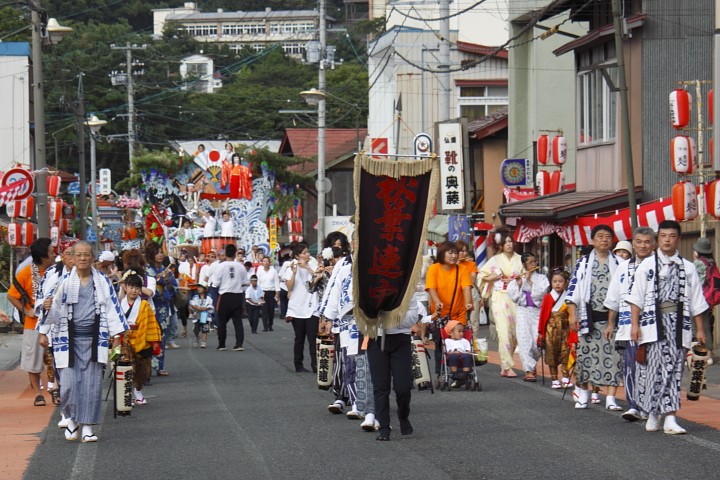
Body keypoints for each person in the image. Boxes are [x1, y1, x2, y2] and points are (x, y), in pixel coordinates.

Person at [38, 241, 128, 443]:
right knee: (68, 384)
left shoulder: (102, 282)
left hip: (94, 340)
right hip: (68, 341)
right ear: (72, 257)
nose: (82, 258)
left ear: (92, 258)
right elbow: (50, 308)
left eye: (87, 254)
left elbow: (113, 309)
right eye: (78, 254)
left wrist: (116, 338)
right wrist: (44, 329)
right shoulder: (62, 282)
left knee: (92, 384)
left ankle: (87, 426)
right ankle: (70, 419)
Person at [626, 220, 708, 434]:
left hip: (678, 324)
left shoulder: (688, 267)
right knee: (652, 370)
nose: (667, 240)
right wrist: (634, 325)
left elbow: (697, 301)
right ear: (657, 239)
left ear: (678, 239)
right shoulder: (647, 265)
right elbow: (636, 298)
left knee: (674, 369)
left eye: (672, 236)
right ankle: (653, 413)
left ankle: (670, 417)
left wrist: (700, 330)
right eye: (663, 236)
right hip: (652, 324)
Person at [566, 224, 622, 410]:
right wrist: (573, 314)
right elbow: (573, 290)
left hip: (611, 318)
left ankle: (611, 399)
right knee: (585, 358)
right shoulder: (583, 263)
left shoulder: (619, 263)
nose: (604, 239)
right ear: (593, 240)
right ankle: (583, 395)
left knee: (613, 357)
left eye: (607, 236)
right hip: (587, 317)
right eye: (600, 236)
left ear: (612, 240)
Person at [603, 227, 656, 421]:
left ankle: (650, 406)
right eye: (639, 242)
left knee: (651, 367)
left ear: (653, 244)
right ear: (633, 244)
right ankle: (633, 405)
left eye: (647, 242)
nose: (642, 245)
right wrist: (610, 323)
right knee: (630, 367)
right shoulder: (623, 267)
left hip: (652, 325)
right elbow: (614, 297)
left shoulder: (658, 266)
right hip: (627, 325)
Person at [7, 237, 56, 407]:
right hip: (32, 323)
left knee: (56, 359)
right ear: (43, 257)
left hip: (55, 323)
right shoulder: (27, 273)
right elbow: (11, 295)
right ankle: (38, 394)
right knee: (33, 362)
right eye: (51, 252)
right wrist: (25, 310)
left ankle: (56, 389)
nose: (54, 254)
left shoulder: (57, 272)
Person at [368, 295, 421, 441]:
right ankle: (384, 428)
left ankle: (403, 415)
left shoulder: (406, 289)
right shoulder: (371, 288)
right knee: (380, 387)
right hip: (375, 339)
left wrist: (392, 318)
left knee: (403, 386)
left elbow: (413, 316)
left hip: (400, 338)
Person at [478, 229, 523, 377]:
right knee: (503, 332)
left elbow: (526, 277)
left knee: (515, 333)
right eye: (506, 242)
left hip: (515, 298)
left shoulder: (520, 259)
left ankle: (506, 364)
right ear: (501, 245)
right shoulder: (496, 260)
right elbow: (481, 276)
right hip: (499, 297)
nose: (509, 244)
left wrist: (517, 279)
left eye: (511, 241)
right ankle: (507, 365)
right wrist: (491, 278)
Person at [424, 241, 473, 375]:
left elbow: (466, 287)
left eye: (455, 253)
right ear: (442, 254)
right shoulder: (434, 269)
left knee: (461, 342)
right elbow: (431, 288)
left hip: (458, 315)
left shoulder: (461, 269)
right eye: (450, 253)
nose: (454, 256)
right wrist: (437, 302)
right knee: (441, 344)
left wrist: (468, 302)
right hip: (440, 315)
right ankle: (442, 372)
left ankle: (462, 372)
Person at [119, 270, 161, 405]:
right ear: (125, 287)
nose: (134, 291)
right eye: (131, 287)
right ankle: (127, 395)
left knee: (142, 370)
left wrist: (153, 341)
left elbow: (151, 323)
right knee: (127, 367)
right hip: (124, 339)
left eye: (137, 288)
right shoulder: (119, 303)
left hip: (141, 339)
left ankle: (138, 391)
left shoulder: (144, 305)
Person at [507, 252, 548, 382]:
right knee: (524, 341)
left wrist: (530, 282)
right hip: (523, 311)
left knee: (537, 341)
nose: (533, 264)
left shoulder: (542, 278)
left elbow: (542, 293)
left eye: (534, 261)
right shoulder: (519, 278)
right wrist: (519, 283)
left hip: (537, 312)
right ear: (524, 264)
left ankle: (533, 363)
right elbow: (513, 295)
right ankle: (528, 370)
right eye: (530, 262)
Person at [284, 242, 319, 372]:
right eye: (304, 253)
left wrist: (308, 268)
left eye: (308, 252)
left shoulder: (313, 263)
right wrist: (294, 273)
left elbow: (319, 277)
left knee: (313, 338)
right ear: (298, 255)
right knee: (299, 338)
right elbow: (289, 287)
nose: (307, 255)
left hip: (312, 307)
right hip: (297, 308)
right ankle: (298, 365)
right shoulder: (291, 266)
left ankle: (315, 365)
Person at [145, 242, 177, 376]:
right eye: (157, 252)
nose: (160, 255)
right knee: (149, 336)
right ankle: (147, 365)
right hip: (150, 304)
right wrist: (156, 280)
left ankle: (160, 365)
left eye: (161, 252)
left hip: (163, 306)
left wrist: (168, 281)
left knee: (162, 336)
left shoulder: (166, 269)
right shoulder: (147, 270)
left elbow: (174, 289)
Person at [537, 269, 572, 389]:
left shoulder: (568, 296)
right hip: (551, 329)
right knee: (551, 352)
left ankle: (566, 376)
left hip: (565, 328)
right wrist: (541, 332)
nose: (557, 284)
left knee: (566, 351)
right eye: (554, 281)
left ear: (566, 282)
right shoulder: (548, 297)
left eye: (560, 281)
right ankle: (554, 377)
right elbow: (543, 315)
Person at [211, 244, 249, 351]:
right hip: (237, 295)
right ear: (235, 253)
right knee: (237, 320)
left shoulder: (220, 266)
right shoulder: (241, 266)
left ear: (225, 253)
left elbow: (215, 283)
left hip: (224, 296)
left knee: (221, 320)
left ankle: (222, 344)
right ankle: (239, 344)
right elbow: (246, 282)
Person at [692, 236, 715, 353]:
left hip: (700, 298)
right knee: (706, 324)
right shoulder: (711, 262)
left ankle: (705, 351)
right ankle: (708, 350)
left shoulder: (698, 263)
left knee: (699, 325)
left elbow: (696, 283)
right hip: (708, 298)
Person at [443, 320, 474, 388]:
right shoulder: (448, 341)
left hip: (463, 354)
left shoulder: (465, 341)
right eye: (459, 331)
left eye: (462, 331)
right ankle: (455, 374)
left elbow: (468, 350)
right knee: (453, 356)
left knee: (468, 356)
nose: (462, 333)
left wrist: (468, 352)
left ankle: (465, 374)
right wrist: (453, 352)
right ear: (451, 333)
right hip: (453, 355)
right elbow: (448, 351)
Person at [256, 256, 280, 332]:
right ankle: (265, 326)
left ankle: (270, 325)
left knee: (271, 310)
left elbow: (277, 283)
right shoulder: (260, 271)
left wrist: (277, 293)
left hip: (271, 292)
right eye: (264, 261)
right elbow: (258, 283)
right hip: (263, 292)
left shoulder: (273, 271)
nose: (266, 263)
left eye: (267, 261)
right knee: (264, 310)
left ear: (270, 263)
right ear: (262, 263)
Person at [189, 282, 213, 348]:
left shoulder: (208, 297)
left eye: (201, 287)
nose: (199, 289)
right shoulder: (195, 297)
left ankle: (203, 342)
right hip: (197, 315)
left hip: (205, 314)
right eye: (198, 287)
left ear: (205, 289)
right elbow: (192, 304)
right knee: (196, 329)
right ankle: (197, 338)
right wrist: (197, 308)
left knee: (205, 328)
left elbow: (210, 304)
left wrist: (206, 308)